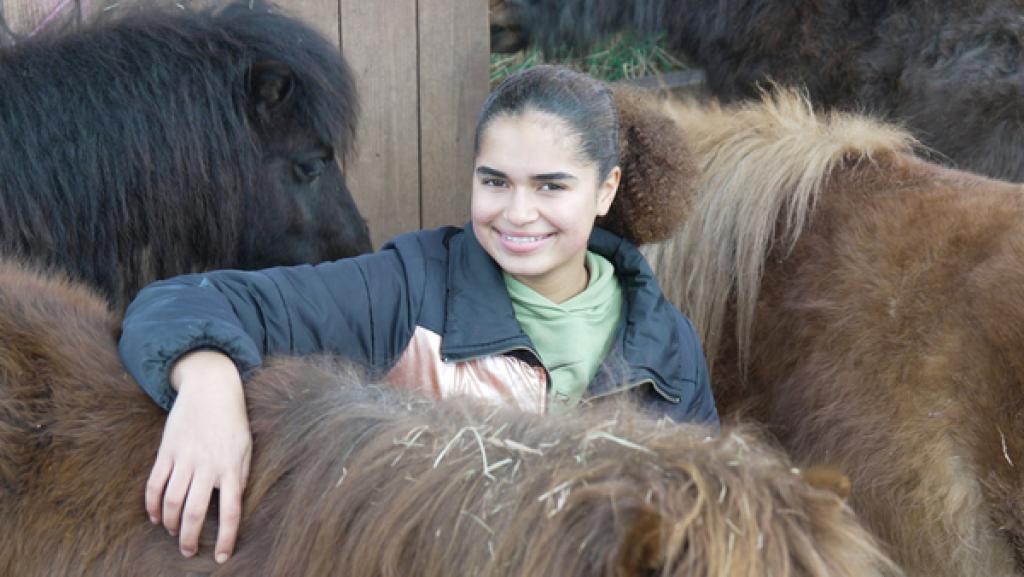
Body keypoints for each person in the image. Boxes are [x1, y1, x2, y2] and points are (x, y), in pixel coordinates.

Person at [119, 64, 718, 564]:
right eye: (495, 182)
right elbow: (181, 300)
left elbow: (702, 523)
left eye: (550, 187)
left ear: (606, 190)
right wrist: (205, 381)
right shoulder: (407, 288)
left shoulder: (667, 348)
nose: (517, 213)